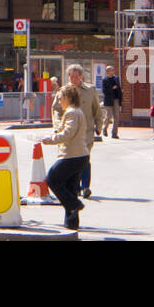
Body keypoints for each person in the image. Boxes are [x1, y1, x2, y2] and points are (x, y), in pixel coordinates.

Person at [37, 84, 89, 230]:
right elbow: (65, 130)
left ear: (68, 98)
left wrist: (50, 139)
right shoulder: (76, 111)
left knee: (51, 179)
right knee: (70, 188)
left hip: (71, 156)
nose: (59, 102)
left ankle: (74, 205)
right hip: (80, 156)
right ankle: (72, 222)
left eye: (60, 99)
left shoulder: (72, 112)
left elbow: (68, 133)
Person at [53, 64, 103, 197]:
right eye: (71, 76)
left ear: (81, 76)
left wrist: (99, 126)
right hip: (68, 132)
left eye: (76, 76)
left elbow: (97, 110)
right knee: (70, 159)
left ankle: (85, 187)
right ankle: (73, 187)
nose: (73, 79)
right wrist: (58, 126)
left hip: (86, 132)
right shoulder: (63, 91)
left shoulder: (90, 90)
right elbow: (56, 111)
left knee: (84, 158)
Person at [100, 65, 122, 139]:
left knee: (116, 117)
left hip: (116, 99)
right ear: (108, 72)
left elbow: (119, 88)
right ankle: (104, 128)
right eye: (112, 70)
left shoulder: (116, 78)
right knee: (108, 116)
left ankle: (114, 133)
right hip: (108, 100)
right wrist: (112, 88)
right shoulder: (105, 80)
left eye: (113, 70)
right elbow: (104, 91)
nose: (113, 72)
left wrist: (120, 98)